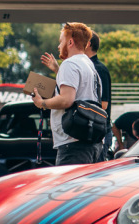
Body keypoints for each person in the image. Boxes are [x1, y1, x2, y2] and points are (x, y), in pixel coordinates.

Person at [34, 22, 103, 165]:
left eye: (61, 41)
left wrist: (41, 103)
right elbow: (80, 94)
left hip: (72, 142)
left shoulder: (70, 64)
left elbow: (66, 100)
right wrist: (57, 70)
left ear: (70, 42)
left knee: (70, 180)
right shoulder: (90, 66)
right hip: (91, 141)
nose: (59, 46)